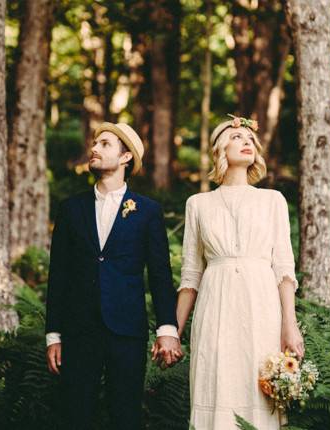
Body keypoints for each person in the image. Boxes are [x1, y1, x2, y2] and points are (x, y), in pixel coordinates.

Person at [45, 122, 183, 429]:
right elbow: (59, 276)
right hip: (79, 330)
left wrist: (167, 328)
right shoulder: (70, 209)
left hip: (127, 331)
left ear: (125, 158)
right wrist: (53, 335)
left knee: (126, 415)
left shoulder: (148, 211)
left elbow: (160, 274)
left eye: (104, 144)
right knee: (75, 414)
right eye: (95, 143)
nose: (94, 149)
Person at [174, 116, 305, 429]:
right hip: (215, 307)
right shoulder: (198, 204)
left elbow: (284, 269)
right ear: (220, 147)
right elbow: (191, 276)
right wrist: (172, 334)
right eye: (236, 137)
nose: (247, 142)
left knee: (257, 393)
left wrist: (290, 324)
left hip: (261, 308)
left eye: (250, 138)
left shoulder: (272, 200)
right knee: (216, 384)